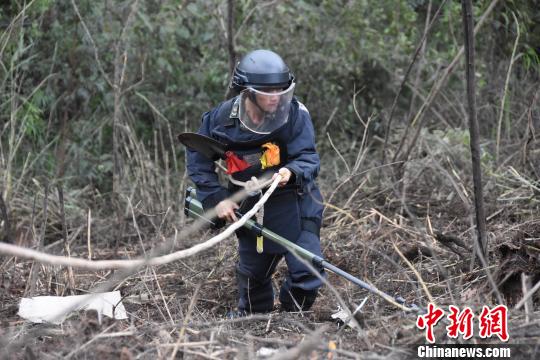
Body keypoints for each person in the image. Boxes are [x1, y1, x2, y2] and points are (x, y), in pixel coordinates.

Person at [187, 49, 325, 315]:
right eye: (268, 91)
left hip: (294, 200)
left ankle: (291, 317)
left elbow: (308, 156)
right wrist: (218, 199)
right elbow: (197, 157)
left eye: (280, 91)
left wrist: (291, 171)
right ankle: (254, 319)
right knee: (253, 275)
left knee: (307, 270)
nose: (276, 98)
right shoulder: (221, 119)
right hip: (249, 202)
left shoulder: (295, 114)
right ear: (247, 91)